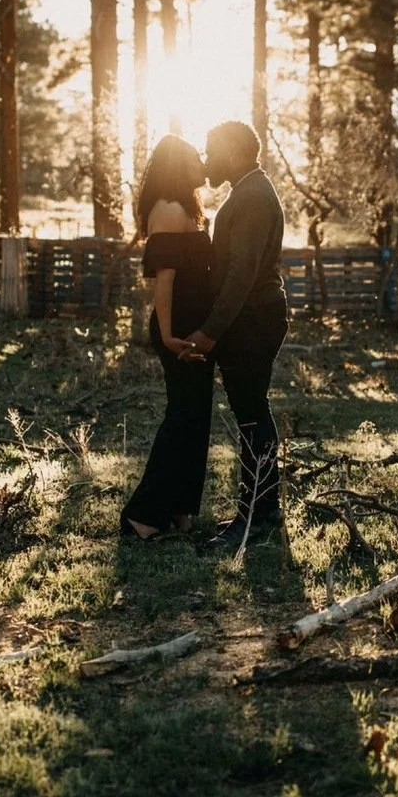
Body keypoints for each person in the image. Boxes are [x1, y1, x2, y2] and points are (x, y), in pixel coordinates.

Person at [181, 120, 288, 553]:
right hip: (249, 318)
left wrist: (210, 331)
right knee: (251, 412)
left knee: (251, 414)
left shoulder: (254, 197)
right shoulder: (247, 190)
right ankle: (263, 511)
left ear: (231, 152)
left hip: (253, 319)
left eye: (211, 151)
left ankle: (254, 518)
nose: (207, 160)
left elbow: (242, 274)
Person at [120, 135, 214, 540]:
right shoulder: (169, 209)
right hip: (178, 329)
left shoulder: (186, 208)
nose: (203, 165)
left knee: (195, 418)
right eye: (195, 159)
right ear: (178, 167)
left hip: (194, 328)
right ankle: (142, 516)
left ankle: (179, 510)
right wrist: (168, 334)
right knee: (182, 418)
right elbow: (165, 281)